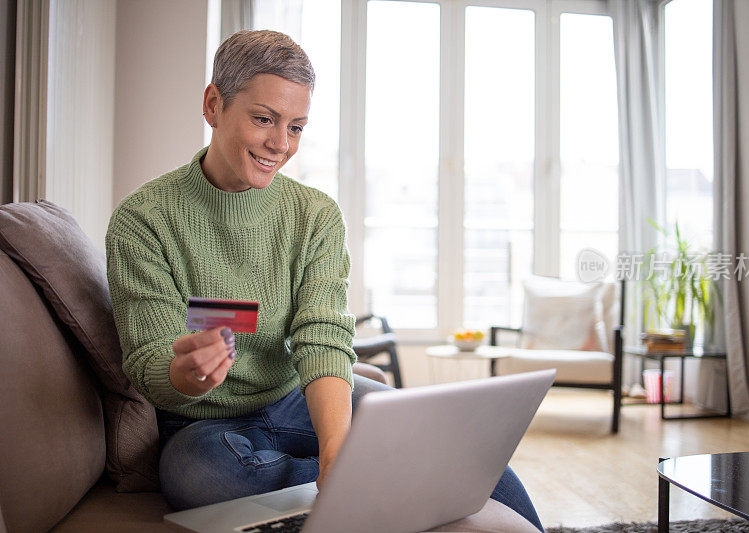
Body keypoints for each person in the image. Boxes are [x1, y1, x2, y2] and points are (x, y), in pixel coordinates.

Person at [105, 29, 543, 530]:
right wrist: (187, 374)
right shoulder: (144, 220)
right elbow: (148, 359)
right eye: (264, 119)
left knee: (459, 447)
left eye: (296, 127)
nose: (280, 144)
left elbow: (322, 337)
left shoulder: (314, 215)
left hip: (297, 396)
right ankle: (378, 479)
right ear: (212, 104)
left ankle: (364, 475)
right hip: (204, 425)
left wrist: (337, 442)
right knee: (201, 478)